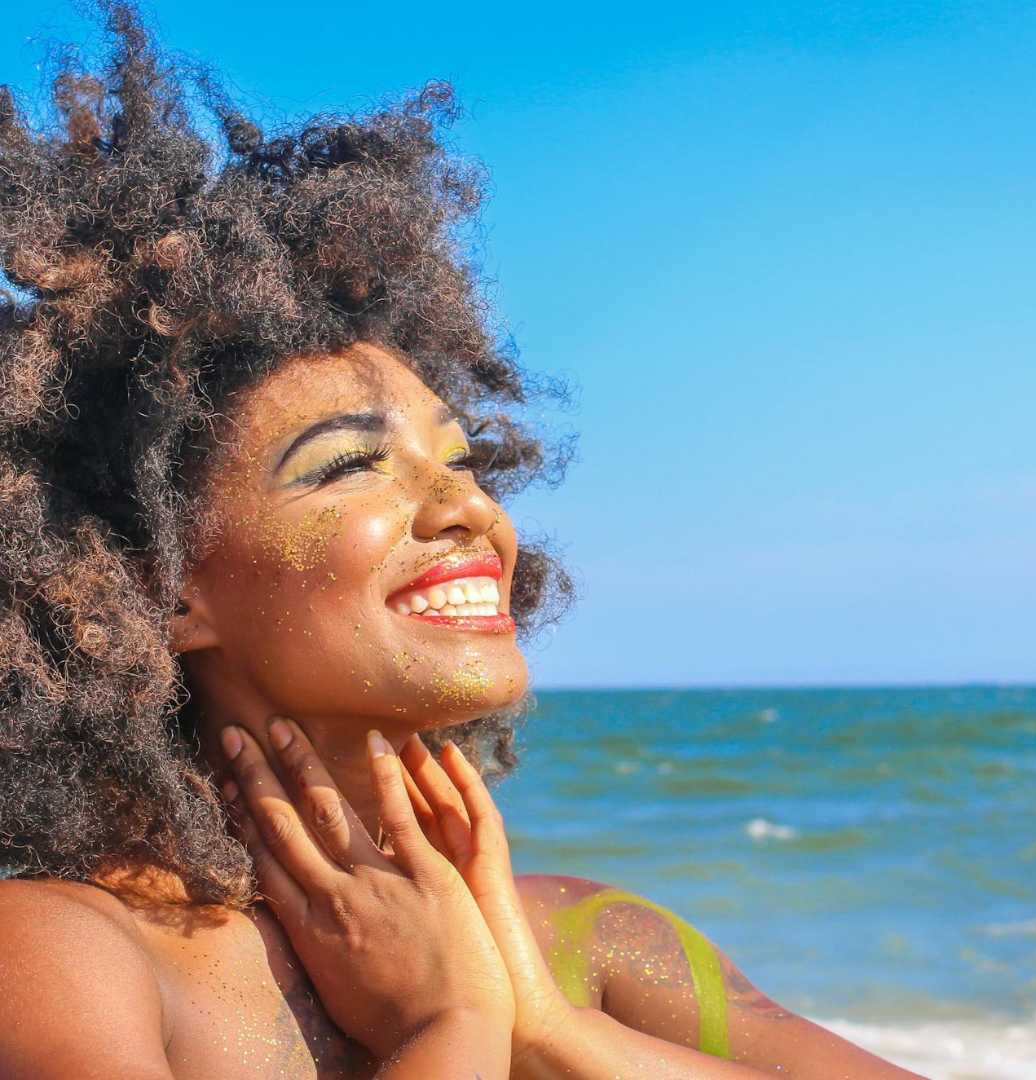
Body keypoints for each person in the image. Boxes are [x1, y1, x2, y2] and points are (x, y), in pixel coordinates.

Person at [0, 4, 925, 1077]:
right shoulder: (60, 956)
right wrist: (456, 1035)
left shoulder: (596, 943)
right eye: (349, 464)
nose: (470, 510)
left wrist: (546, 1025)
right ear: (154, 589)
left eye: (465, 462)